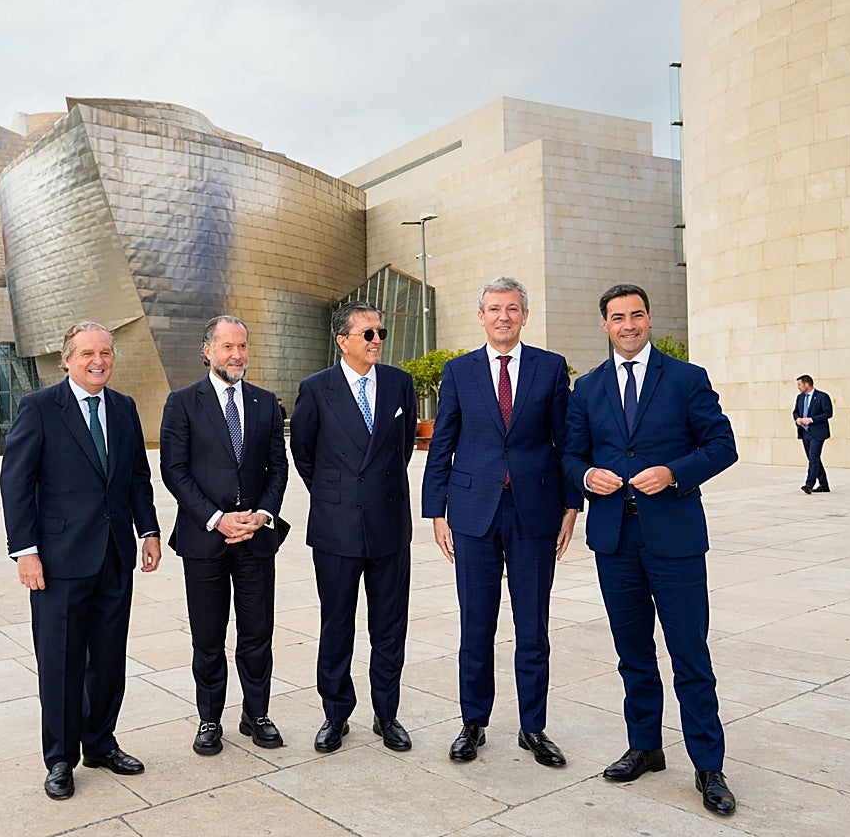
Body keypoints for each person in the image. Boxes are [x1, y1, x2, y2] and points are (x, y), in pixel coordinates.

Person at [562, 284, 738, 816]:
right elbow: (570, 456)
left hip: (675, 540)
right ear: (605, 325)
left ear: (649, 319)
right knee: (633, 653)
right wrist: (588, 475)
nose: (629, 325)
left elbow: (722, 444)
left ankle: (709, 765)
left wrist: (675, 473)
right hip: (616, 541)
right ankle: (645, 747)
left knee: (690, 654)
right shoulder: (587, 389)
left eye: (637, 315)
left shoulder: (687, 379)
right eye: (618, 317)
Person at [421, 276, 582, 766]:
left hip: (536, 512)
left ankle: (533, 727)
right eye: (494, 308)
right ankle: (474, 723)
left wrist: (571, 506)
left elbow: (567, 443)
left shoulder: (551, 369)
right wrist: (436, 512)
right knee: (476, 625)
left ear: (524, 316)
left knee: (533, 628)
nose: (503, 316)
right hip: (472, 515)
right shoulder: (459, 371)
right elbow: (441, 442)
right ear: (481, 316)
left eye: (512, 308)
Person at [0, 321, 161, 801]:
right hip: (59, 562)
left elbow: (137, 476)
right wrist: (24, 551)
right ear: (66, 359)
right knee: (62, 662)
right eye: (88, 353)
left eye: (106, 353)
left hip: (115, 555)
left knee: (109, 660)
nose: (99, 361)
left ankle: (101, 742)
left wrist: (148, 531)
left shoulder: (125, 407)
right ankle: (60, 758)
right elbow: (16, 483)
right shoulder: (40, 408)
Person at [159, 316, 291, 756]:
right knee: (208, 636)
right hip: (204, 540)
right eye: (228, 347)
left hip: (255, 539)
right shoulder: (181, 403)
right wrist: (217, 518)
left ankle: (257, 714)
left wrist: (263, 514)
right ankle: (209, 719)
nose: (237, 355)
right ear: (208, 351)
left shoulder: (265, 402)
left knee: (257, 633)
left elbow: (278, 467)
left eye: (243, 346)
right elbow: (173, 471)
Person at [289, 301, 417, 753]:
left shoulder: (401, 384)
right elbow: (304, 454)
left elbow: (401, 450)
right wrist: (337, 494)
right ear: (342, 341)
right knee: (337, 623)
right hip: (336, 528)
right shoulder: (316, 388)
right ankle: (336, 714)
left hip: (388, 524)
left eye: (379, 332)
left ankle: (388, 715)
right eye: (367, 334)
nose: (377, 340)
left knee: (389, 626)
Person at [794, 375, 832, 495]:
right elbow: (795, 411)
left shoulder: (822, 397)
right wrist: (797, 419)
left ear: (807, 384)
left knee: (813, 457)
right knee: (813, 458)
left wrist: (811, 419)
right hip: (805, 432)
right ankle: (824, 484)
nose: (798, 387)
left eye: (800, 385)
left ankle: (809, 484)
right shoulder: (800, 398)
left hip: (818, 432)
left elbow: (828, 413)